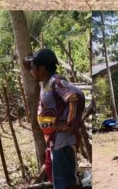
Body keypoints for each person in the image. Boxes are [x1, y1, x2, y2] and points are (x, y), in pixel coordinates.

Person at [25, 48, 85, 189]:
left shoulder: (56, 82)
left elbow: (76, 96)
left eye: (33, 67)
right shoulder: (46, 83)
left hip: (63, 140)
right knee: (64, 181)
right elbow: (26, 63)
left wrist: (70, 125)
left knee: (67, 182)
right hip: (56, 140)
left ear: (42, 68)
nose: (30, 70)